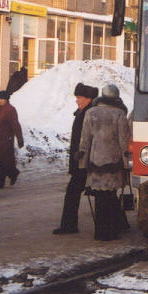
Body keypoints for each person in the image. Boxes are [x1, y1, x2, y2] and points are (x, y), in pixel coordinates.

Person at [79, 84, 130, 241]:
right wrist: (127, 163)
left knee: (99, 197)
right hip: (113, 161)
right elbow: (124, 141)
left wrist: (82, 163)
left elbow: (85, 139)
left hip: (95, 161)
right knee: (110, 195)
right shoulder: (120, 114)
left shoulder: (90, 113)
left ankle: (100, 232)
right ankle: (112, 231)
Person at [53, 83, 98, 235]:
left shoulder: (89, 114)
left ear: (88, 99)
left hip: (85, 160)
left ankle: (69, 226)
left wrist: (82, 157)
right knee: (102, 192)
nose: (77, 100)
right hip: (81, 160)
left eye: (79, 97)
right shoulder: (82, 112)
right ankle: (120, 223)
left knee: (74, 192)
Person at [0, 91, 24, 187]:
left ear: (7, 99)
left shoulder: (10, 110)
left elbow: (15, 125)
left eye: (2, 99)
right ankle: (0, 181)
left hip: (6, 140)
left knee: (4, 161)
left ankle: (12, 173)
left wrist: (19, 139)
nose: (0, 101)